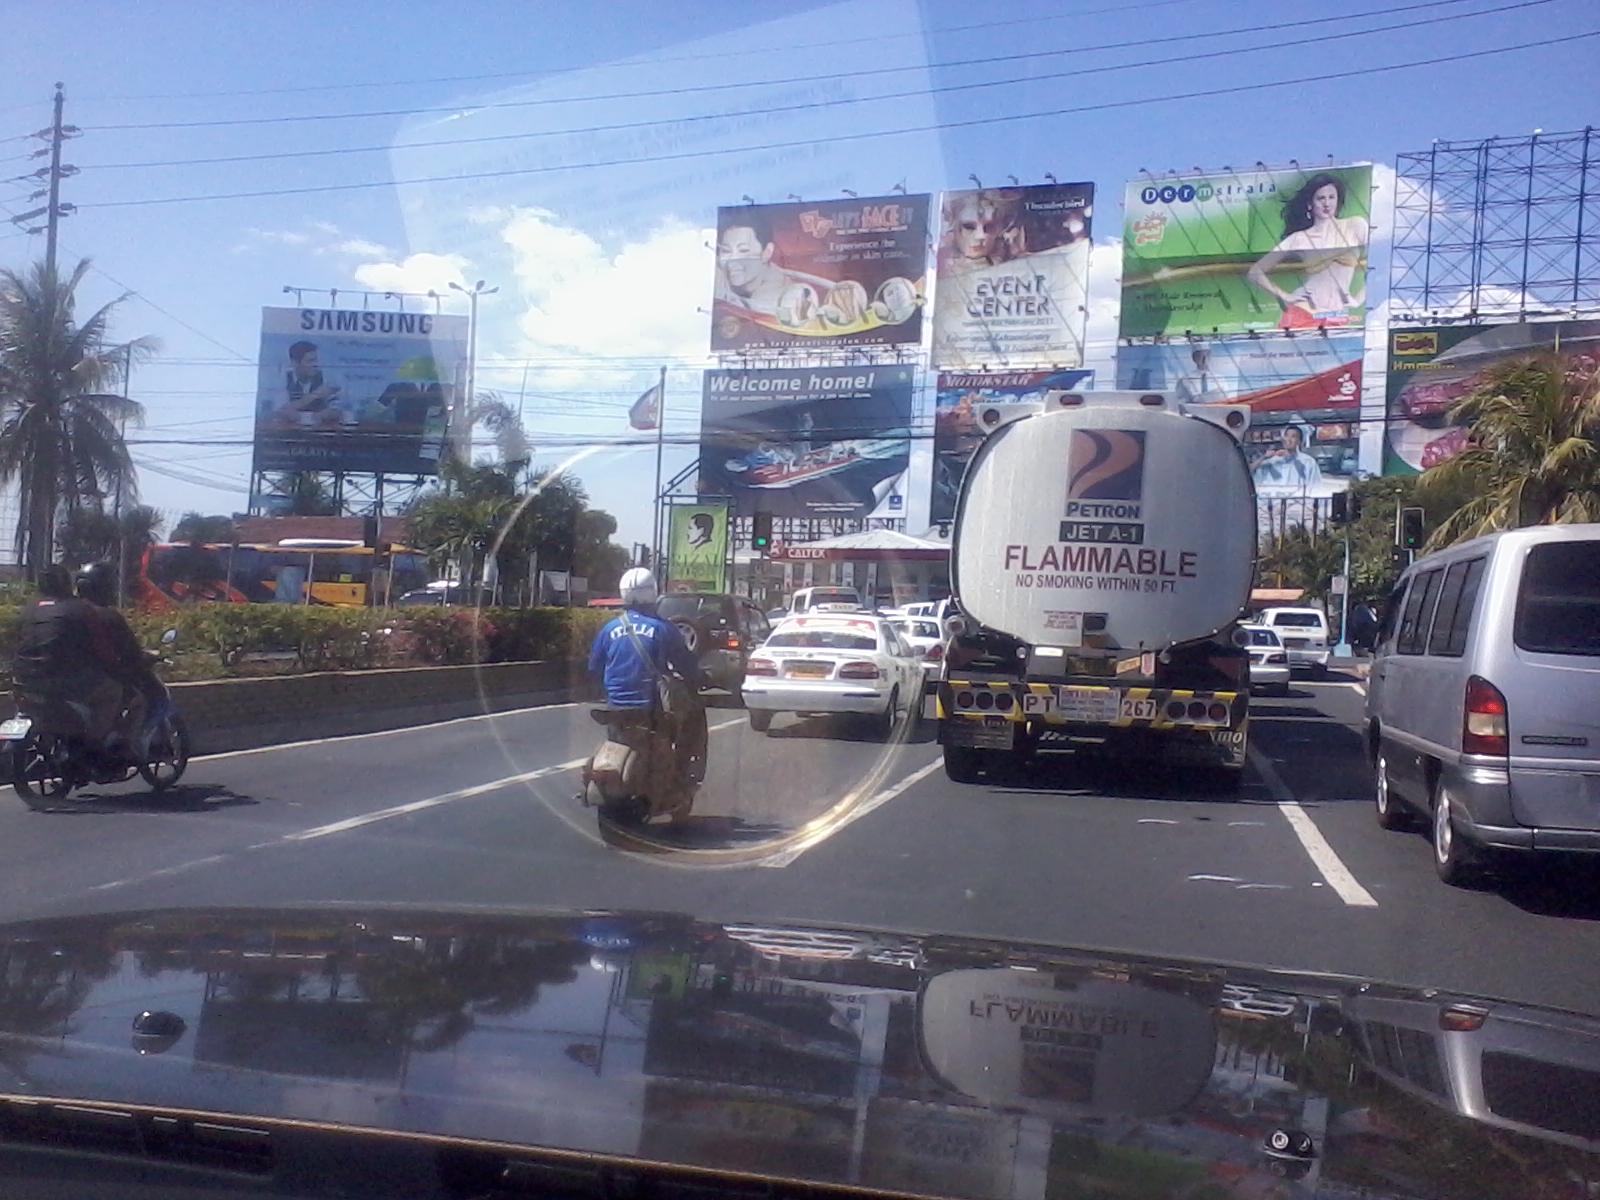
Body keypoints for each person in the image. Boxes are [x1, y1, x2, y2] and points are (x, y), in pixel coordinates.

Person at [587, 568, 707, 816]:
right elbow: (687, 667)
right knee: (687, 728)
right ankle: (680, 785)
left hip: (615, 710)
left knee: (617, 736)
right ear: (653, 593)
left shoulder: (609, 629)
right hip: (651, 711)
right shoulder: (664, 629)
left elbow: (593, 669)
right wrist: (700, 678)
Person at [11, 564, 125, 753]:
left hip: (22, 680)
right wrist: (114, 664)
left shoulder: (29, 610)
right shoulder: (81, 609)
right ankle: (95, 744)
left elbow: (16, 643)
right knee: (112, 691)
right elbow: (101, 646)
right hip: (62, 682)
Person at [1246, 173, 1369, 330]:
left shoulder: (1355, 226)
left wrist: (1359, 299)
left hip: (1337, 317)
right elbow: (1255, 272)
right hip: (1303, 313)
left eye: (1332, 197)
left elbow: (1379, 260)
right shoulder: (1299, 238)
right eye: (1320, 198)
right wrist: (1285, 296)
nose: (1327, 203)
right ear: (1310, 204)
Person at [76, 562, 164, 755]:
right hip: (96, 679)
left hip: (61, 678)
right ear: (103, 587)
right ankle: (123, 746)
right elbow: (131, 651)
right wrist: (145, 659)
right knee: (137, 700)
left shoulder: (70, 612)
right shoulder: (108, 615)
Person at [281, 340, 340, 424]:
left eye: (316, 360)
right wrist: (315, 395)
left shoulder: (326, 378)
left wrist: (328, 414)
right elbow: (281, 411)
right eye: (310, 361)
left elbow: (337, 409)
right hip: (287, 431)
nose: (315, 364)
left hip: (320, 431)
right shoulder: (283, 379)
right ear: (295, 363)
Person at [1252, 425, 1324, 488]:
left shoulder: (1308, 462)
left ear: (1299, 441)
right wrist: (1264, 457)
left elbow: (1316, 486)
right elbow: (1254, 479)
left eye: (1293, 436)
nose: (1288, 439)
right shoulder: (1272, 462)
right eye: (1286, 435)